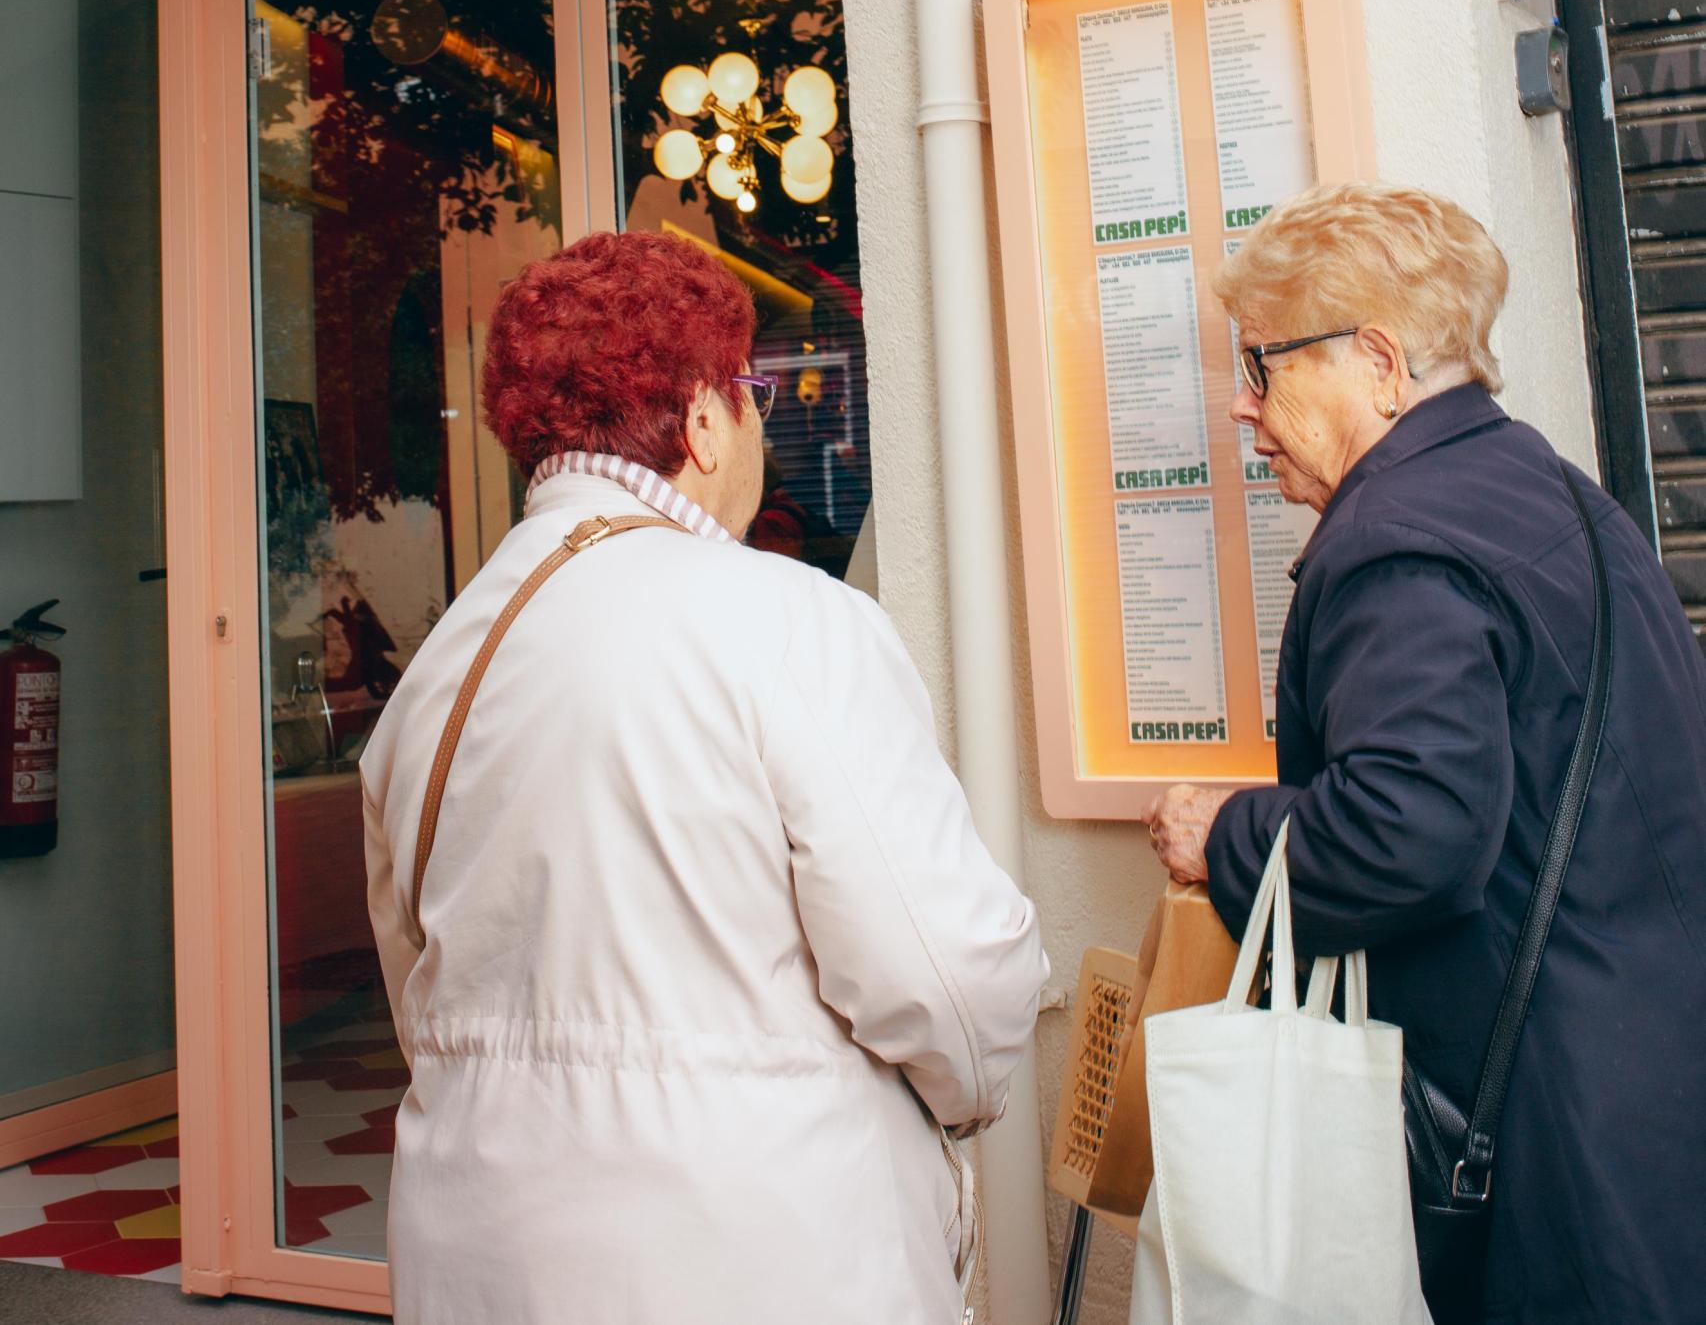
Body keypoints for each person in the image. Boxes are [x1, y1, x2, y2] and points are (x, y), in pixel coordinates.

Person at [361, 229, 1046, 1325]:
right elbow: (942, 975)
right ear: (702, 420)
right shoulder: (787, 618)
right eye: (751, 395)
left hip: (476, 1251)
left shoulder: (440, 666)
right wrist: (971, 1095)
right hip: (758, 1250)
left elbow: (423, 984)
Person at [1148, 182, 1706, 1325]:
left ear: (1376, 361)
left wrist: (1222, 833)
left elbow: (1405, 832)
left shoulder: (1392, 541)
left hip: (1531, 1143)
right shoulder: (1555, 493)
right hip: (1641, 1086)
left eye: (1260, 364)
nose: (1242, 406)